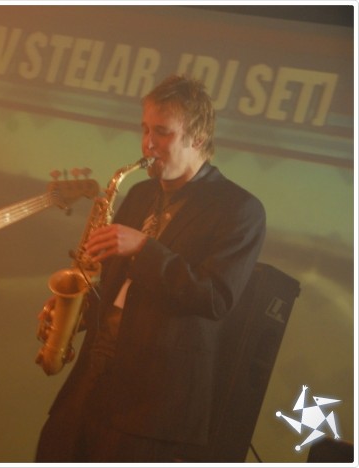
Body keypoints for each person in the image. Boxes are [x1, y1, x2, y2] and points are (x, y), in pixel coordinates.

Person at [34, 74, 266, 462]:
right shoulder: (140, 193)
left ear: (197, 138)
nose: (147, 143)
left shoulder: (239, 209)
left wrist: (144, 248)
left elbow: (215, 297)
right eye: (144, 129)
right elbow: (117, 288)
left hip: (153, 406)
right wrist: (74, 311)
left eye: (162, 132)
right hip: (93, 382)